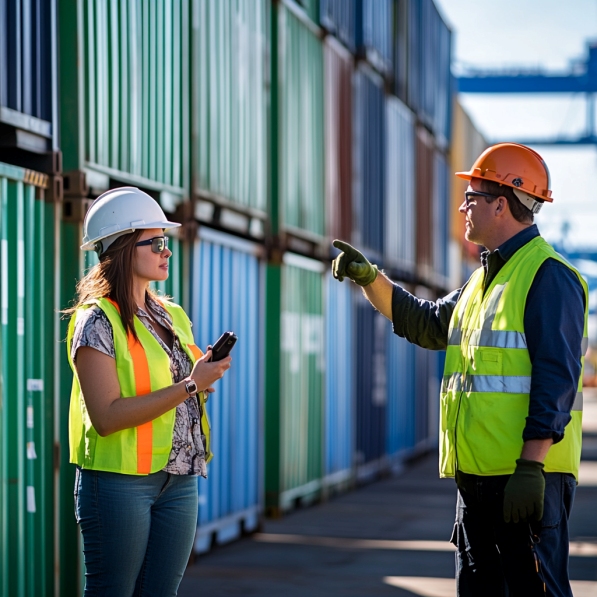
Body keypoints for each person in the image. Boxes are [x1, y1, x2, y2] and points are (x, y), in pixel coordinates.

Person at [332, 143, 588, 597]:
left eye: (470, 197)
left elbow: (557, 380)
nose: (462, 207)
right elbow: (428, 324)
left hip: (524, 480)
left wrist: (531, 467)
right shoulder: (482, 279)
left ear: (501, 204)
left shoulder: (549, 276)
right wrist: (370, 278)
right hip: (476, 483)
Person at [66, 186, 232, 596]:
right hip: (119, 484)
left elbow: (185, 391)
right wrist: (191, 384)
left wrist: (202, 381)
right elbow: (106, 417)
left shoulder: (171, 314)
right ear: (123, 248)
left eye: (166, 241)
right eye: (155, 242)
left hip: (178, 480)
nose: (167, 251)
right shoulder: (97, 322)